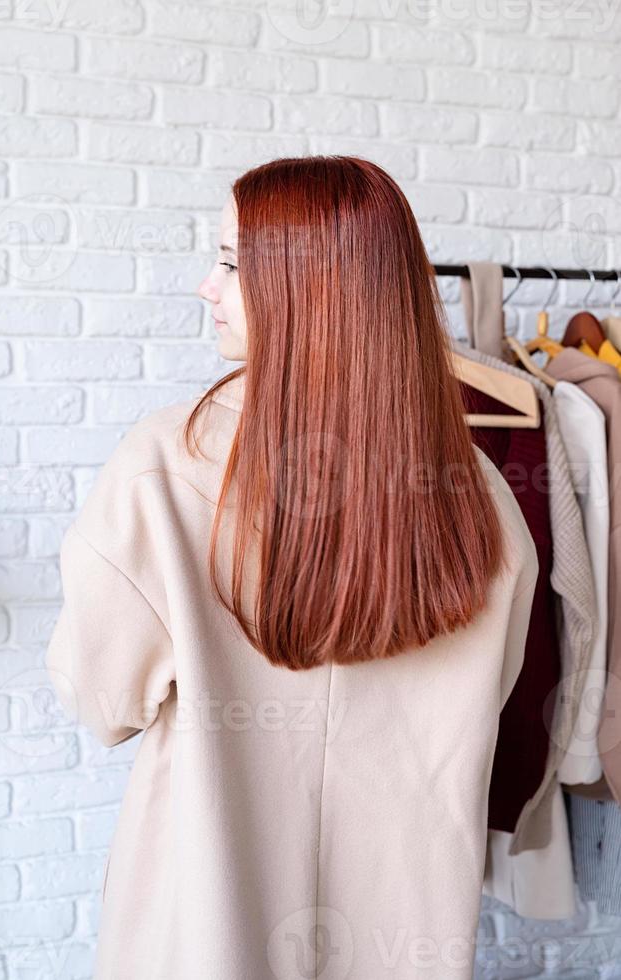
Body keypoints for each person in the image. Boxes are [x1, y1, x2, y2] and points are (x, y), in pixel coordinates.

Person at [45, 155, 539, 980]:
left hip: (211, 923)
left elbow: (104, 701)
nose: (207, 286)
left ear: (313, 288)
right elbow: (496, 688)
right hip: (404, 934)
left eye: (233, 262)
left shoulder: (167, 464)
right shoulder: (478, 490)